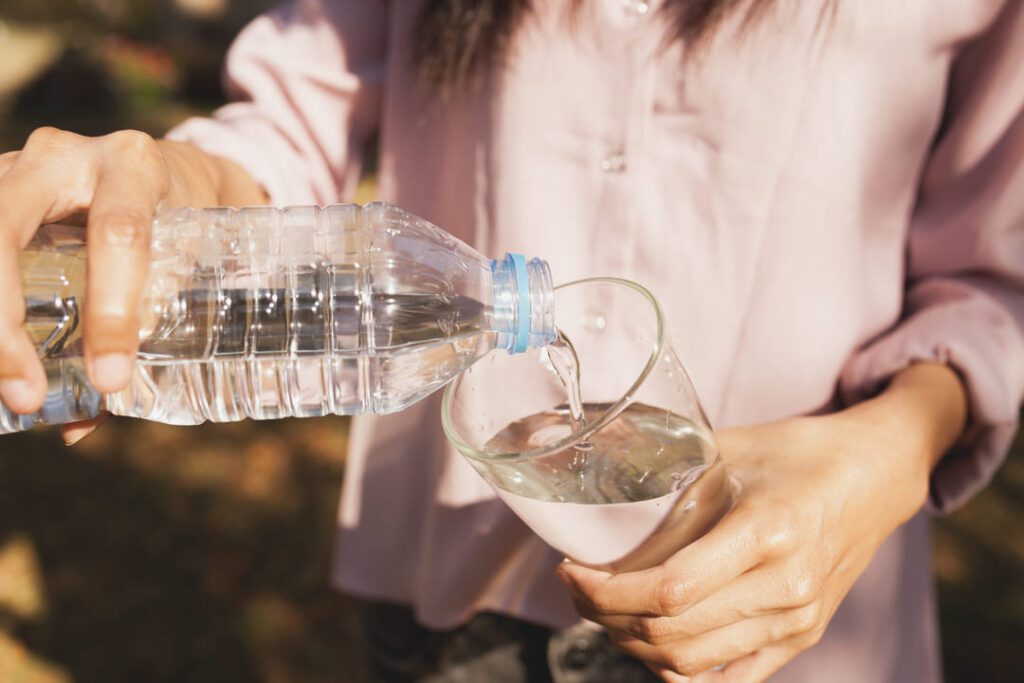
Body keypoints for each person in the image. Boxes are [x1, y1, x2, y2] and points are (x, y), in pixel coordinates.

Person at [1, 0, 1022, 680]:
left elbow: (992, 279)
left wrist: (885, 454)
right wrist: (178, 200)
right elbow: (294, 119)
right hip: (459, 603)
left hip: (790, 616)